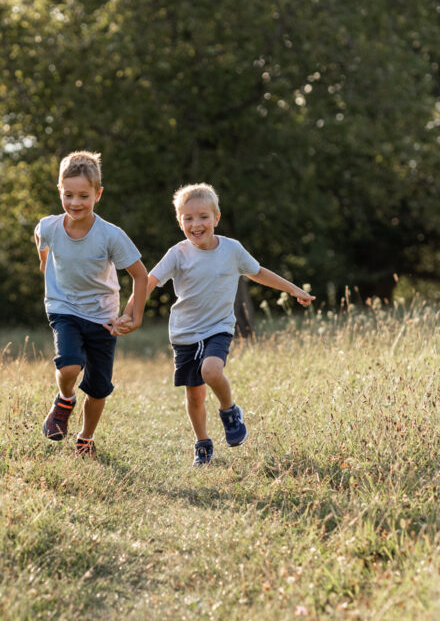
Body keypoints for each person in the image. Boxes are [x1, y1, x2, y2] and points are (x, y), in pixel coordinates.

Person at [114, 183, 314, 466]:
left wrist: (294, 290)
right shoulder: (178, 253)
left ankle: (229, 410)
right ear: (180, 221)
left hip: (218, 327)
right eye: (188, 218)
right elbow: (148, 282)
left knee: (211, 370)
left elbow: (258, 273)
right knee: (194, 396)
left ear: (216, 218)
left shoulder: (232, 250)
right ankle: (203, 444)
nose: (196, 224)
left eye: (203, 217)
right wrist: (130, 312)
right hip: (184, 333)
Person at [35, 151, 149, 458]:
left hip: (102, 316)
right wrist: (45, 266)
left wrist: (134, 316)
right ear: (60, 192)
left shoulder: (110, 235)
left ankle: (85, 439)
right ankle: (64, 399)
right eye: (68, 194)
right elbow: (41, 243)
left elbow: (140, 275)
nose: (75, 203)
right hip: (63, 308)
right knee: (69, 363)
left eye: (83, 195)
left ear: (97, 194)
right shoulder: (49, 226)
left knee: (99, 388)